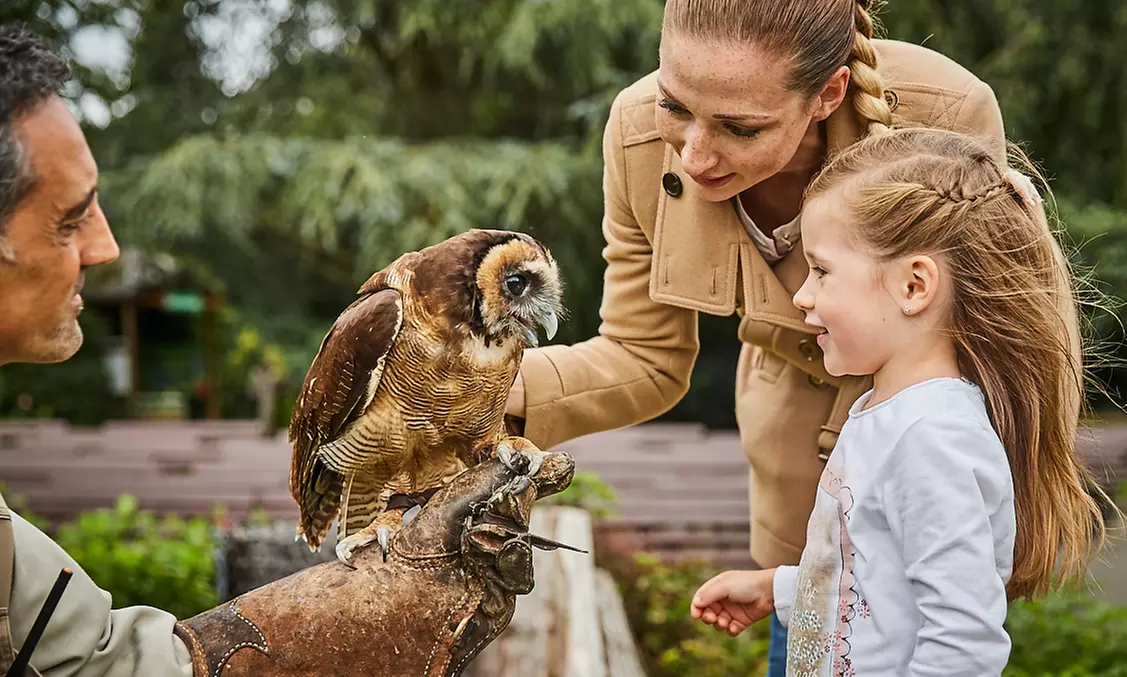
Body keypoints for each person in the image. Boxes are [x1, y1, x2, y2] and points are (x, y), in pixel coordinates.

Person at [501, 0, 1081, 670]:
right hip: (806, 526)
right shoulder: (635, 139)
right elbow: (641, 353)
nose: (693, 155)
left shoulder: (945, 111)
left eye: (740, 127)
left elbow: (957, 634)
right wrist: (466, 391)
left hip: (908, 528)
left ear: (829, 94)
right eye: (673, 105)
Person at [0, 23, 557, 677]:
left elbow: (96, 663)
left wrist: (296, 638)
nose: (106, 247)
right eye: (70, 219)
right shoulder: (385, 316)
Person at [687, 126, 1110, 675]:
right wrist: (781, 589)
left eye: (822, 270)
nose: (802, 295)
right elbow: (874, 579)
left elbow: (963, 647)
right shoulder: (891, 415)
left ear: (914, 287)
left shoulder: (933, 438)